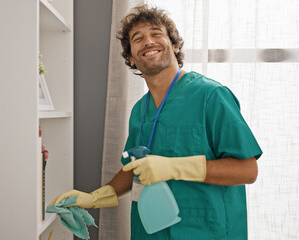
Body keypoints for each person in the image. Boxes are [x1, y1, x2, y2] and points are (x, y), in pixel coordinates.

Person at [50, 4, 262, 239]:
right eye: (137, 38)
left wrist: (173, 167)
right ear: (130, 57)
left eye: (156, 33)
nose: (148, 41)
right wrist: (95, 198)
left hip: (206, 230)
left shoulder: (211, 96)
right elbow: (134, 168)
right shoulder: (140, 110)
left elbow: (247, 170)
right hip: (150, 231)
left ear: (175, 45)